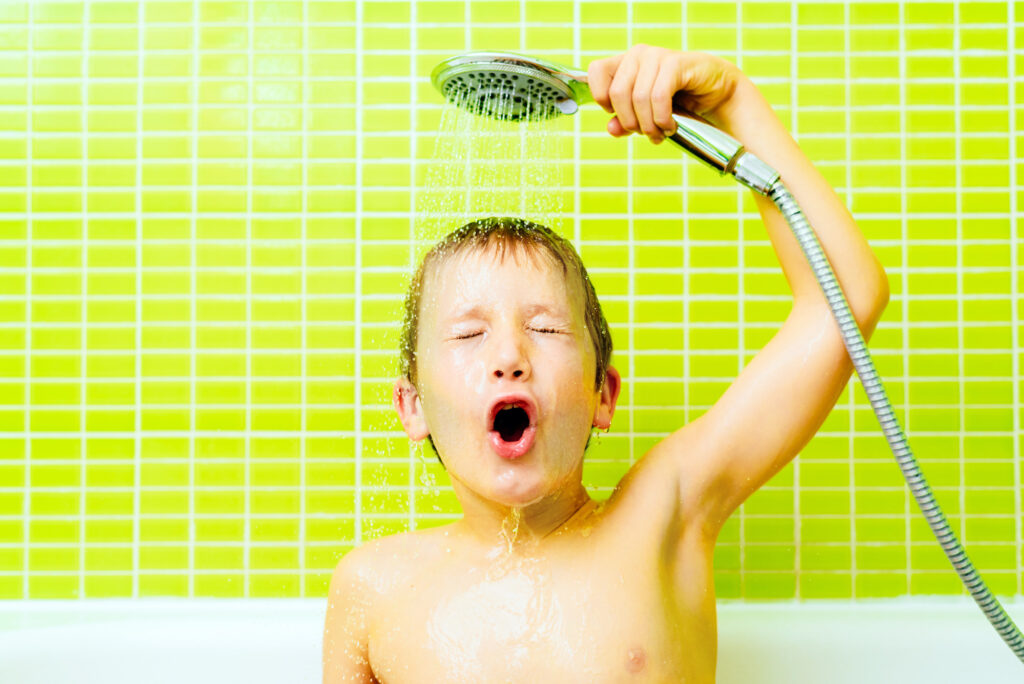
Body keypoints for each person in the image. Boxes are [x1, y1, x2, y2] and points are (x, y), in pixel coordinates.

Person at [323, 43, 890, 683]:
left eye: (545, 326)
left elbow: (846, 302)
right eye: (468, 334)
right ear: (413, 405)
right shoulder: (372, 587)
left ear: (604, 394)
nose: (509, 355)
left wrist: (734, 103)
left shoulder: (664, 515)